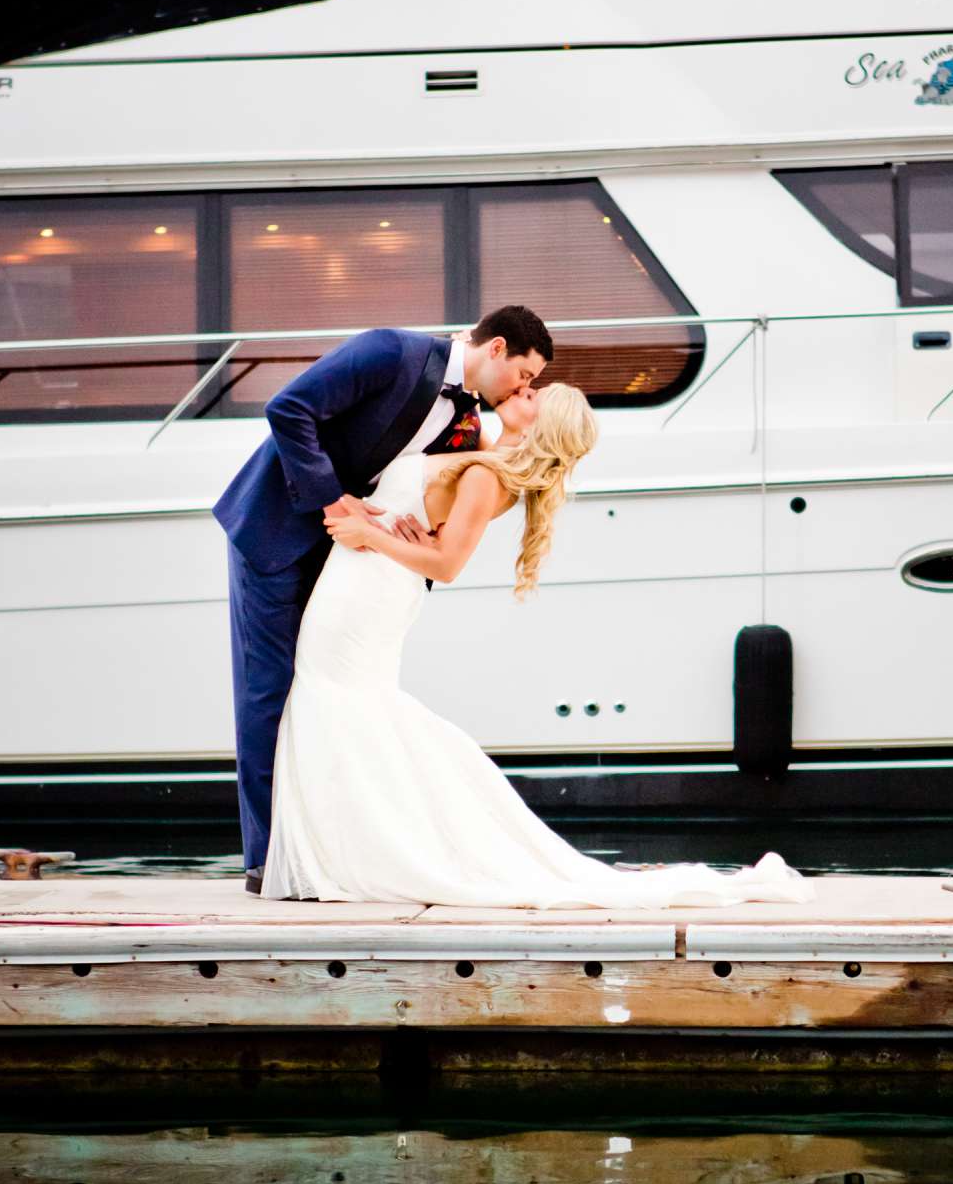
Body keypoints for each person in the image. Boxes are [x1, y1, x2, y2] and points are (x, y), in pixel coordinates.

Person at [262, 380, 802, 907]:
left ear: (541, 424)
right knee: (342, 702)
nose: (523, 393)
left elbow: (447, 565)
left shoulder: (483, 475)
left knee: (337, 697)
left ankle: (349, 854)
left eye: (532, 398)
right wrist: (396, 531)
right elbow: (433, 533)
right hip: (372, 581)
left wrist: (369, 536)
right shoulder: (487, 462)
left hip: (367, 589)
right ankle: (347, 850)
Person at [214, 306, 552, 892]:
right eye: (524, 374)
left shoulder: (470, 423)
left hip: (350, 560)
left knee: (320, 695)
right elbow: (288, 409)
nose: (525, 388)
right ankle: (268, 857)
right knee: (268, 689)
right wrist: (332, 499)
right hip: (275, 530)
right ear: (496, 348)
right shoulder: (390, 351)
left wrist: (418, 534)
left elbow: (437, 491)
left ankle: (324, 843)